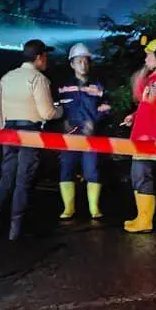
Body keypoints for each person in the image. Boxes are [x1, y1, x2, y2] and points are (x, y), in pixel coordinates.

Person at [0, 39, 61, 241]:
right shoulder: (38, 79)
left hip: (8, 131)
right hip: (30, 132)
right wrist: (60, 110)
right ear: (39, 57)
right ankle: (15, 230)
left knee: (6, 177)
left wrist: (3, 132)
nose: (47, 60)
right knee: (23, 180)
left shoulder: (7, 77)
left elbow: (1, 111)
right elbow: (46, 113)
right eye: (46, 56)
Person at [120, 37, 156, 234]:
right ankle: (141, 217)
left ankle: (145, 221)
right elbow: (145, 104)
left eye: (149, 55)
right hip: (141, 137)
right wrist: (133, 116)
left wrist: (141, 79)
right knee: (137, 176)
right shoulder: (155, 80)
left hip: (151, 139)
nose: (145, 59)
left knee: (143, 176)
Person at [57, 43, 111, 221]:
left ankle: (94, 209)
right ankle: (68, 209)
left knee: (92, 171)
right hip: (69, 136)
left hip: (91, 137)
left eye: (86, 61)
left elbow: (107, 108)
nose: (83, 65)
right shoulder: (63, 87)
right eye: (79, 61)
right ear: (72, 64)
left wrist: (95, 122)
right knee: (66, 169)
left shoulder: (98, 86)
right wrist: (62, 122)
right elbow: (55, 108)